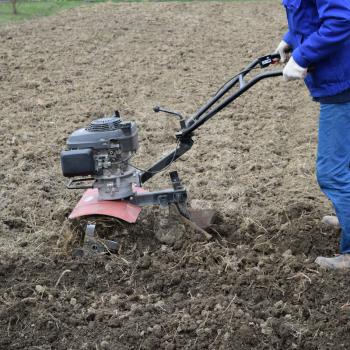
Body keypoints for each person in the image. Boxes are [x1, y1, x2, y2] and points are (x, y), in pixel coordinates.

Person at [275, 0, 350, 269]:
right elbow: (308, 12)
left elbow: (341, 19)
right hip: (341, 76)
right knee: (346, 163)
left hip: (344, 81)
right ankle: (347, 216)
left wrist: (302, 55)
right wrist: (289, 39)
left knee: (332, 171)